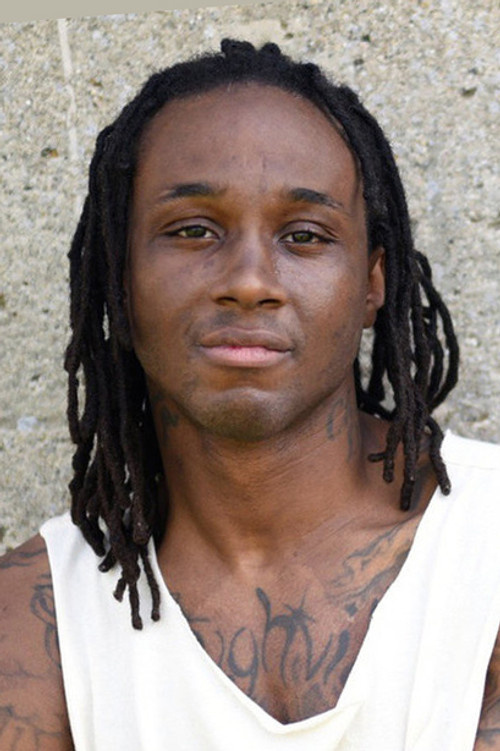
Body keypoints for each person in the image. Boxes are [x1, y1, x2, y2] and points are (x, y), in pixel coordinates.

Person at [1, 38, 499, 750]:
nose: (249, 280)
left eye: (305, 236)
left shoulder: (485, 547)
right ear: (119, 279)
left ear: (372, 284)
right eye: (192, 230)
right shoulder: (36, 621)